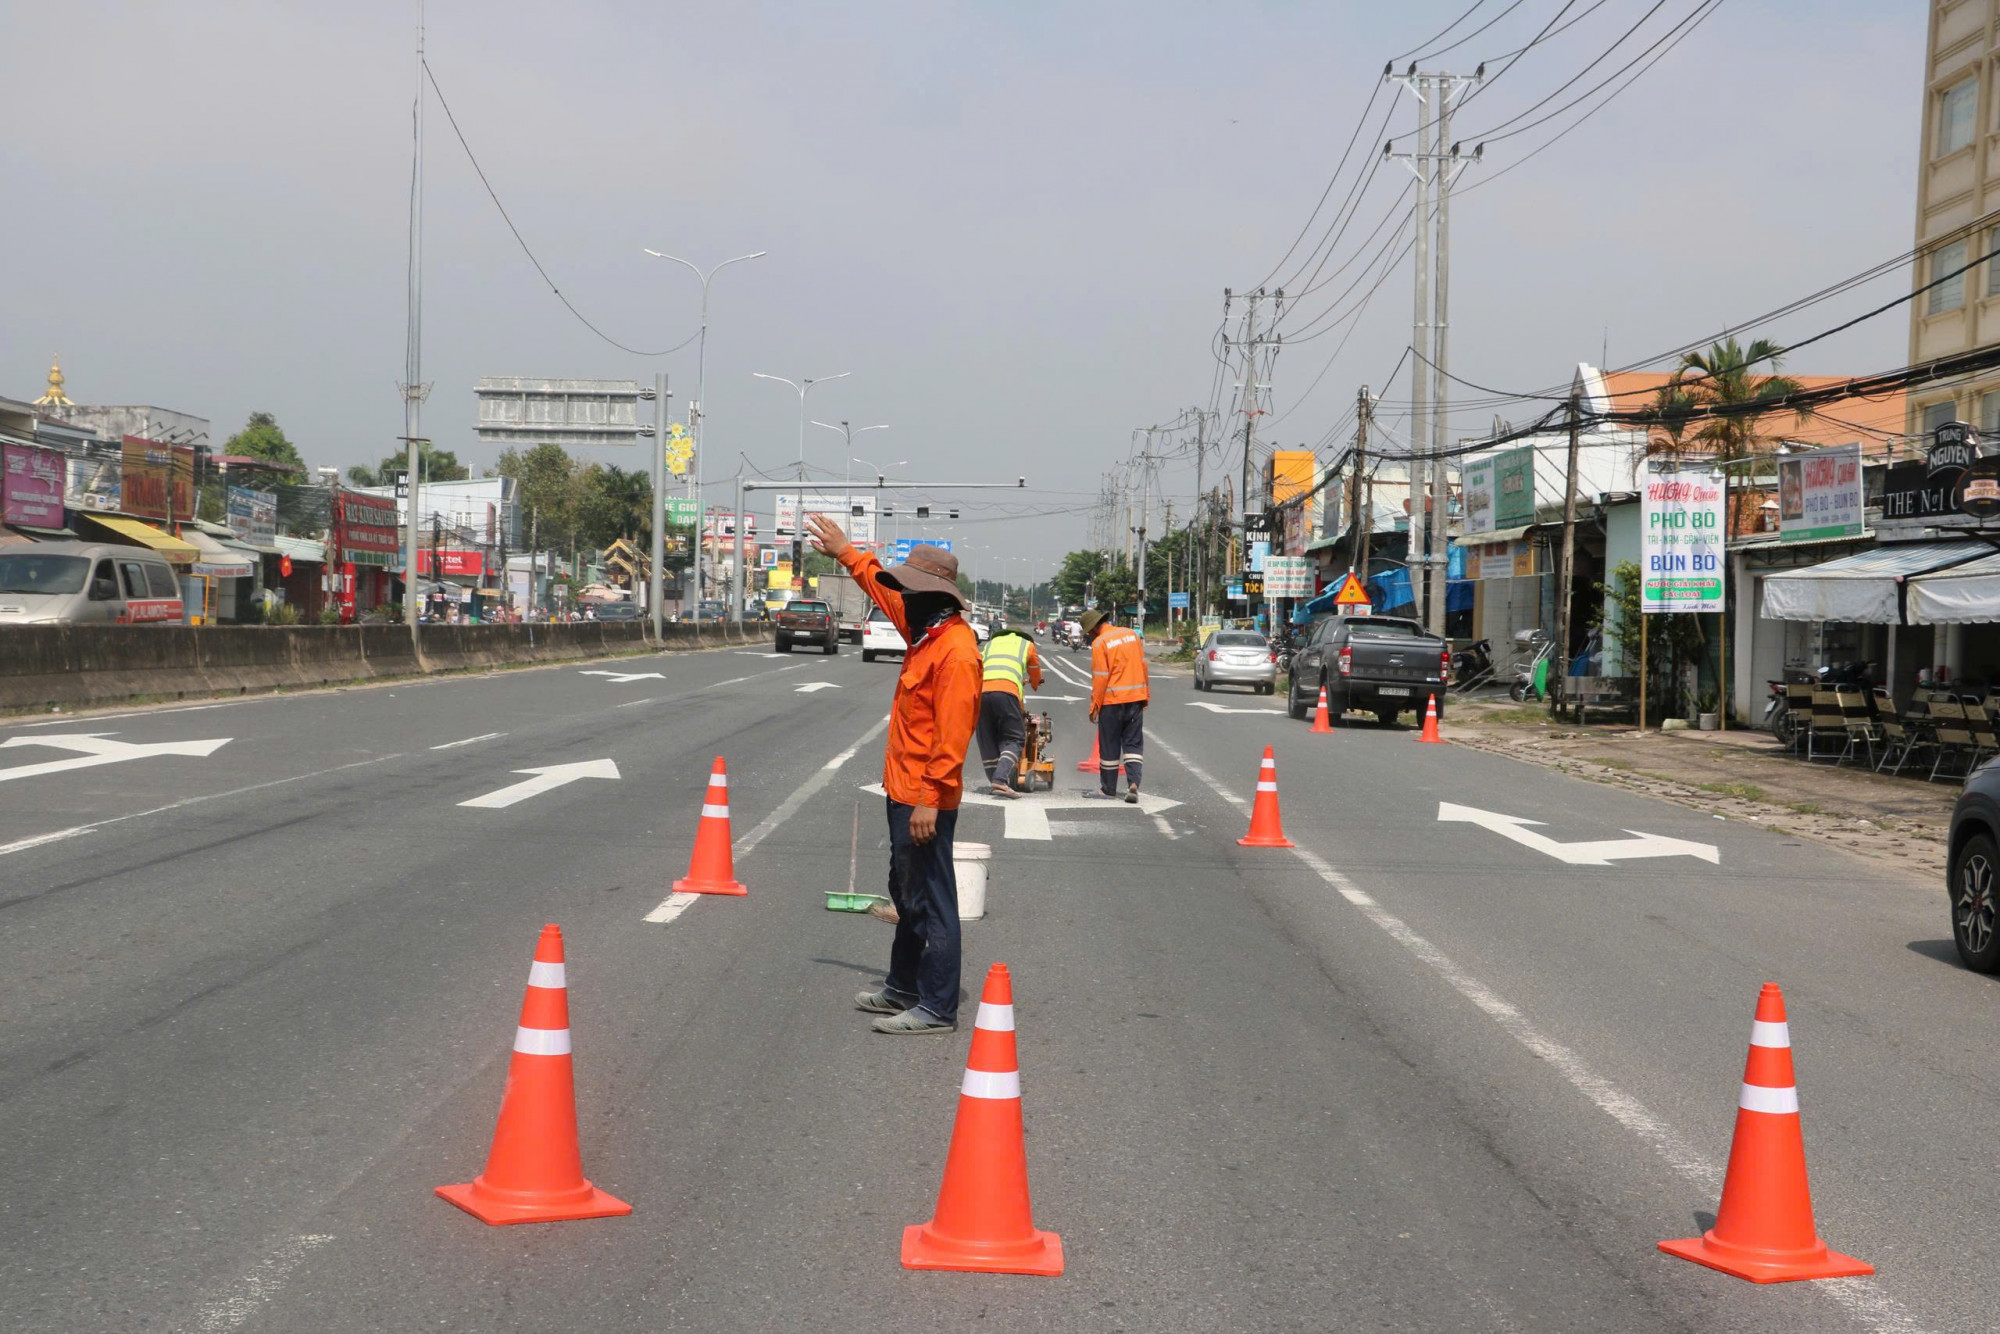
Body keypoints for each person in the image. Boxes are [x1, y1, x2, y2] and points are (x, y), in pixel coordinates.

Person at [806, 512, 982, 1035]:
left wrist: (930, 799)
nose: (901, 596)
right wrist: (847, 552)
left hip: (924, 798)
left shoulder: (956, 652)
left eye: (911, 588)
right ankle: (903, 986)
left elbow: (952, 740)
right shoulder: (926, 632)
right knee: (905, 892)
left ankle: (938, 1006)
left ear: (936, 595)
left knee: (932, 900)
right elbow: (883, 594)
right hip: (902, 790)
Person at [1084, 608, 1149, 803]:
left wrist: (1094, 705)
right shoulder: (1131, 635)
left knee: (1110, 745)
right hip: (1135, 698)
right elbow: (1143, 665)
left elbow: (1101, 678)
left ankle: (1108, 789)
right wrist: (1145, 695)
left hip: (1112, 701)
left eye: (1088, 631)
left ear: (1094, 628)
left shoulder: (1100, 643)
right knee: (1133, 743)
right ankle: (1134, 784)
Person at [975, 627, 1043, 797]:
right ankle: (1000, 780)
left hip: (981, 692)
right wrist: (1035, 683)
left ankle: (995, 781)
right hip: (1006, 691)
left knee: (987, 738)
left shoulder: (990, 644)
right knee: (1015, 738)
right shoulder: (1026, 644)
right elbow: (1034, 667)